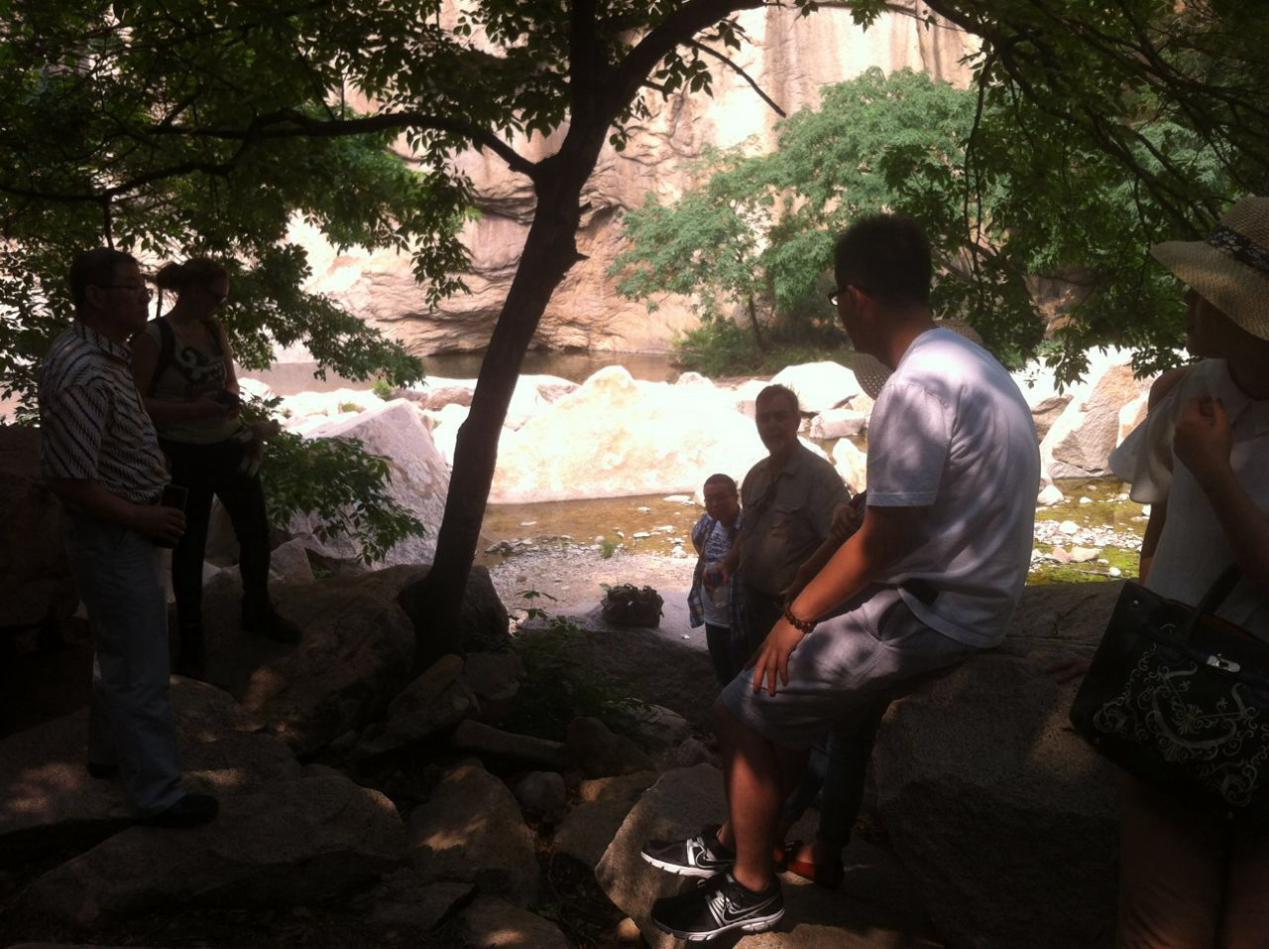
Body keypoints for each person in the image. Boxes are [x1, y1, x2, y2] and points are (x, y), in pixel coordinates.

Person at [641, 213, 1039, 940]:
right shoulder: (974, 365)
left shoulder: (916, 387)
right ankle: (735, 841)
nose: (838, 313)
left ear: (856, 297)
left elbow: (888, 540)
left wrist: (795, 620)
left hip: (932, 609)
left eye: (836, 299)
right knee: (788, 713)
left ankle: (751, 889)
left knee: (739, 706)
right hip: (975, 595)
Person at [1108, 197, 1269, 948]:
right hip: (1176, 691)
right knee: (1157, 928)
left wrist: (1215, 470)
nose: (1188, 300)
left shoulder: (1198, 420)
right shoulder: (1182, 392)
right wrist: (1128, 644)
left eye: (1207, 291)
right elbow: (1161, 537)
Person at [39, 247, 218, 827]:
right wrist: (140, 518)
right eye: (133, 287)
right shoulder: (83, 371)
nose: (146, 295)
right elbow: (69, 480)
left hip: (120, 532)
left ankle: (107, 755)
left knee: (116, 651)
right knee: (141, 667)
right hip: (115, 536)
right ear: (96, 296)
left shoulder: (104, 354)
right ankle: (158, 796)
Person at [131, 258, 298, 680]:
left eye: (224, 298)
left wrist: (229, 398)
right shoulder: (154, 337)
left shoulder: (213, 330)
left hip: (229, 444)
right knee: (189, 548)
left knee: (255, 532)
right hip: (183, 455)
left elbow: (230, 380)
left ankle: (257, 609)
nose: (219, 305)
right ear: (189, 290)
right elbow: (135, 403)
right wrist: (193, 410)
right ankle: (191, 642)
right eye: (215, 296)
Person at [725, 384, 851, 669]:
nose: (772, 425)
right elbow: (747, 532)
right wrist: (727, 565)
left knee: (778, 684)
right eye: (764, 418)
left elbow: (839, 546)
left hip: (790, 614)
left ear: (796, 420)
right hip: (751, 605)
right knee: (749, 677)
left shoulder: (820, 477)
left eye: (780, 417)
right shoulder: (755, 475)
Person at [689, 473, 744, 685]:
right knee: (722, 674)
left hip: (739, 618)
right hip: (713, 617)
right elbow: (696, 539)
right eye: (709, 499)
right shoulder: (708, 522)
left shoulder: (748, 526)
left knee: (742, 675)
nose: (714, 504)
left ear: (735, 497)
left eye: (721, 497)